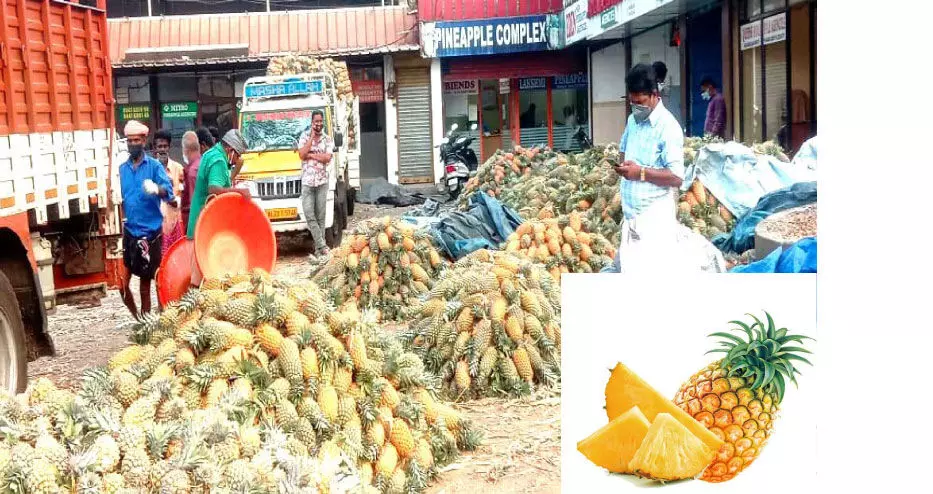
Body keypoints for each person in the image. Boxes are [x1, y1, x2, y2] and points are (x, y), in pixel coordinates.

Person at [609, 64, 685, 274]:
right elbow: (623, 149)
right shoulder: (632, 121)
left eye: (640, 102)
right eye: (632, 102)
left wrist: (640, 172)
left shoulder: (668, 127)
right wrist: (623, 165)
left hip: (654, 221)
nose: (636, 107)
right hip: (631, 218)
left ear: (654, 94)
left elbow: (677, 177)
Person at [118, 120, 175, 319]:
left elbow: (169, 193)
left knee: (146, 283)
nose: (133, 144)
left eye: (136, 140)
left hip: (150, 233)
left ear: (144, 141)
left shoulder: (154, 167)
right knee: (122, 285)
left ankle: (149, 320)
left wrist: (156, 189)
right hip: (130, 231)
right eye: (129, 141)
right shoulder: (122, 169)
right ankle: (138, 318)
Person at [186, 129, 251, 287]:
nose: (237, 160)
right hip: (205, 223)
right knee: (202, 278)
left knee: (198, 274)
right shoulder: (219, 160)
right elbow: (213, 188)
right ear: (230, 150)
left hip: (199, 219)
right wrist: (239, 191)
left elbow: (221, 181)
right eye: (237, 155)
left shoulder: (211, 153)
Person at [297, 110, 335, 260]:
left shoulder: (327, 139)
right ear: (312, 122)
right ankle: (322, 246)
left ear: (322, 122)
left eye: (320, 121)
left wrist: (311, 155)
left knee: (321, 217)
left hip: (321, 182)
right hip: (307, 182)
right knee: (309, 214)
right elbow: (302, 154)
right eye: (316, 122)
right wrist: (311, 138)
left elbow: (327, 158)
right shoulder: (304, 136)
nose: (318, 124)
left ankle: (320, 252)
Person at [152, 129, 185, 254]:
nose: (162, 150)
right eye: (159, 146)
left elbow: (181, 198)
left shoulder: (178, 169)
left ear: (169, 147)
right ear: (155, 148)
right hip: (156, 225)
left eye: (165, 146)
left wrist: (170, 195)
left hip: (175, 223)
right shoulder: (149, 170)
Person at [179, 131, 203, 233]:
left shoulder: (193, 171)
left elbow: (195, 204)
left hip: (195, 225)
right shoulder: (202, 163)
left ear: (185, 150)